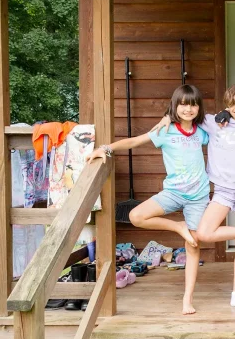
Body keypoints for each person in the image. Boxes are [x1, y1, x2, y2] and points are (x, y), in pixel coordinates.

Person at [85, 84, 209, 315]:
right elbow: (133, 142)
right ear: (175, 106)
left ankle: (187, 299)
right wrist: (105, 149)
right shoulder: (164, 131)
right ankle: (178, 226)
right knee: (136, 216)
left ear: (198, 107)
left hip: (198, 197)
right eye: (183, 104)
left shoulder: (203, 132)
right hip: (172, 192)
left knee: (193, 245)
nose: (188, 109)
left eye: (193, 104)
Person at [176, 82, 235, 312]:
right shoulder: (213, 122)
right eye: (232, 103)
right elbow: (183, 115)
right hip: (222, 190)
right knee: (203, 233)